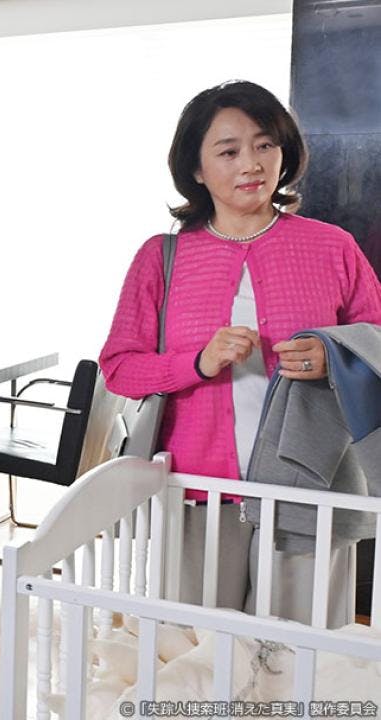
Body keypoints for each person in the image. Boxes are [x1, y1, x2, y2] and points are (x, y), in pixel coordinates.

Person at [100, 80, 381, 625]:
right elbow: (119, 368)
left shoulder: (333, 246)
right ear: (197, 168)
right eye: (229, 152)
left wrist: (335, 358)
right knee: (196, 646)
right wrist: (197, 362)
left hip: (312, 486)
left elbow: (377, 343)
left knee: (298, 653)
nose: (251, 164)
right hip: (196, 490)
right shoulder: (161, 257)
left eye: (264, 145)